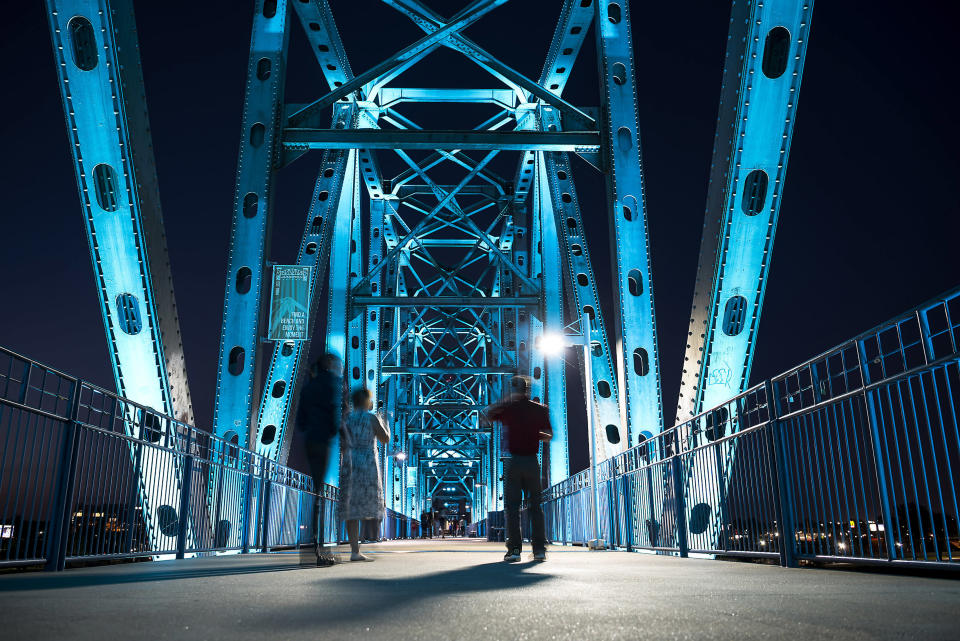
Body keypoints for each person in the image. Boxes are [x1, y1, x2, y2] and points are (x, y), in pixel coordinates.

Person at [485, 376, 552, 562]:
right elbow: (548, 435)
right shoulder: (540, 409)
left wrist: (506, 401)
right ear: (527, 390)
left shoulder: (508, 409)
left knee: (512, 509)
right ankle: (539, 550)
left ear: (513, 390)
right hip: (532, 462)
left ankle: (514, 550)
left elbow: (488, 414)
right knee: (535, 508)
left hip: (513, 463)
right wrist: (531, 434)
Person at [296, 353, 343, 567]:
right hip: (323, 439)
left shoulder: (309, 386)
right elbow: (336, 409)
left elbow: (301, 419)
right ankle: (318, 553)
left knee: (313, 494)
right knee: (320, 496)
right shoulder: (332, 382)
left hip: (310, 440)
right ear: (330, 365)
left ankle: (311, 551)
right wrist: (334, 430)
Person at [339, 387, 390, 561]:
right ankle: (358, 549)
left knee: (351, 508)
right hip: (367, 463)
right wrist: (386, 424)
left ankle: (354, 550)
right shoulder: (371, 418)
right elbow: (385, 439)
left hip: (350, 463)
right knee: (363, 506)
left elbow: (342, 442)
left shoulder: (347, 418)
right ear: (368, 402)